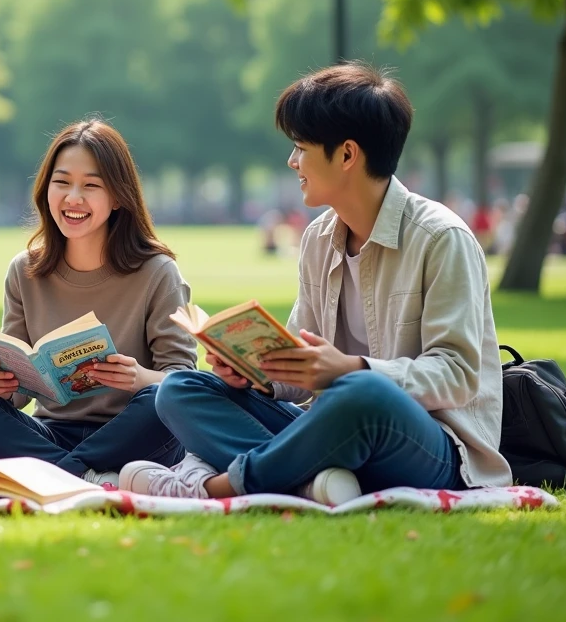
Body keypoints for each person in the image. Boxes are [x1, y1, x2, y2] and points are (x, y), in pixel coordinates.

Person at [122, 63, 512, 505]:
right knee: (180, 389)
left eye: (301, 148)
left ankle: (221, 486)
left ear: (347, 155)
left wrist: (351, 369)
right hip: (331, 425)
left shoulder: (443, 239)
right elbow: (301, 370)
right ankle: (314, 481)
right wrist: (256, 375)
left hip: (434, 448)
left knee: (361, 392)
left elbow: (459, 376)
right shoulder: (318, 239)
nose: (292, 162)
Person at [0, 118, 196, 486]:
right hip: (49, 432)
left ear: (119, 196)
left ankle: (51, 474)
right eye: (61, 183)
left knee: (161, 398)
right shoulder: (25, 270)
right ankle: (84, 476)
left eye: (90, 186)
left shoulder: (158, 272)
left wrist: (138, 377)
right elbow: (20, 395)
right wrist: (4, 387)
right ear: (46, 190)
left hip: (135, 436)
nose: (72, 198)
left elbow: (183, 383)